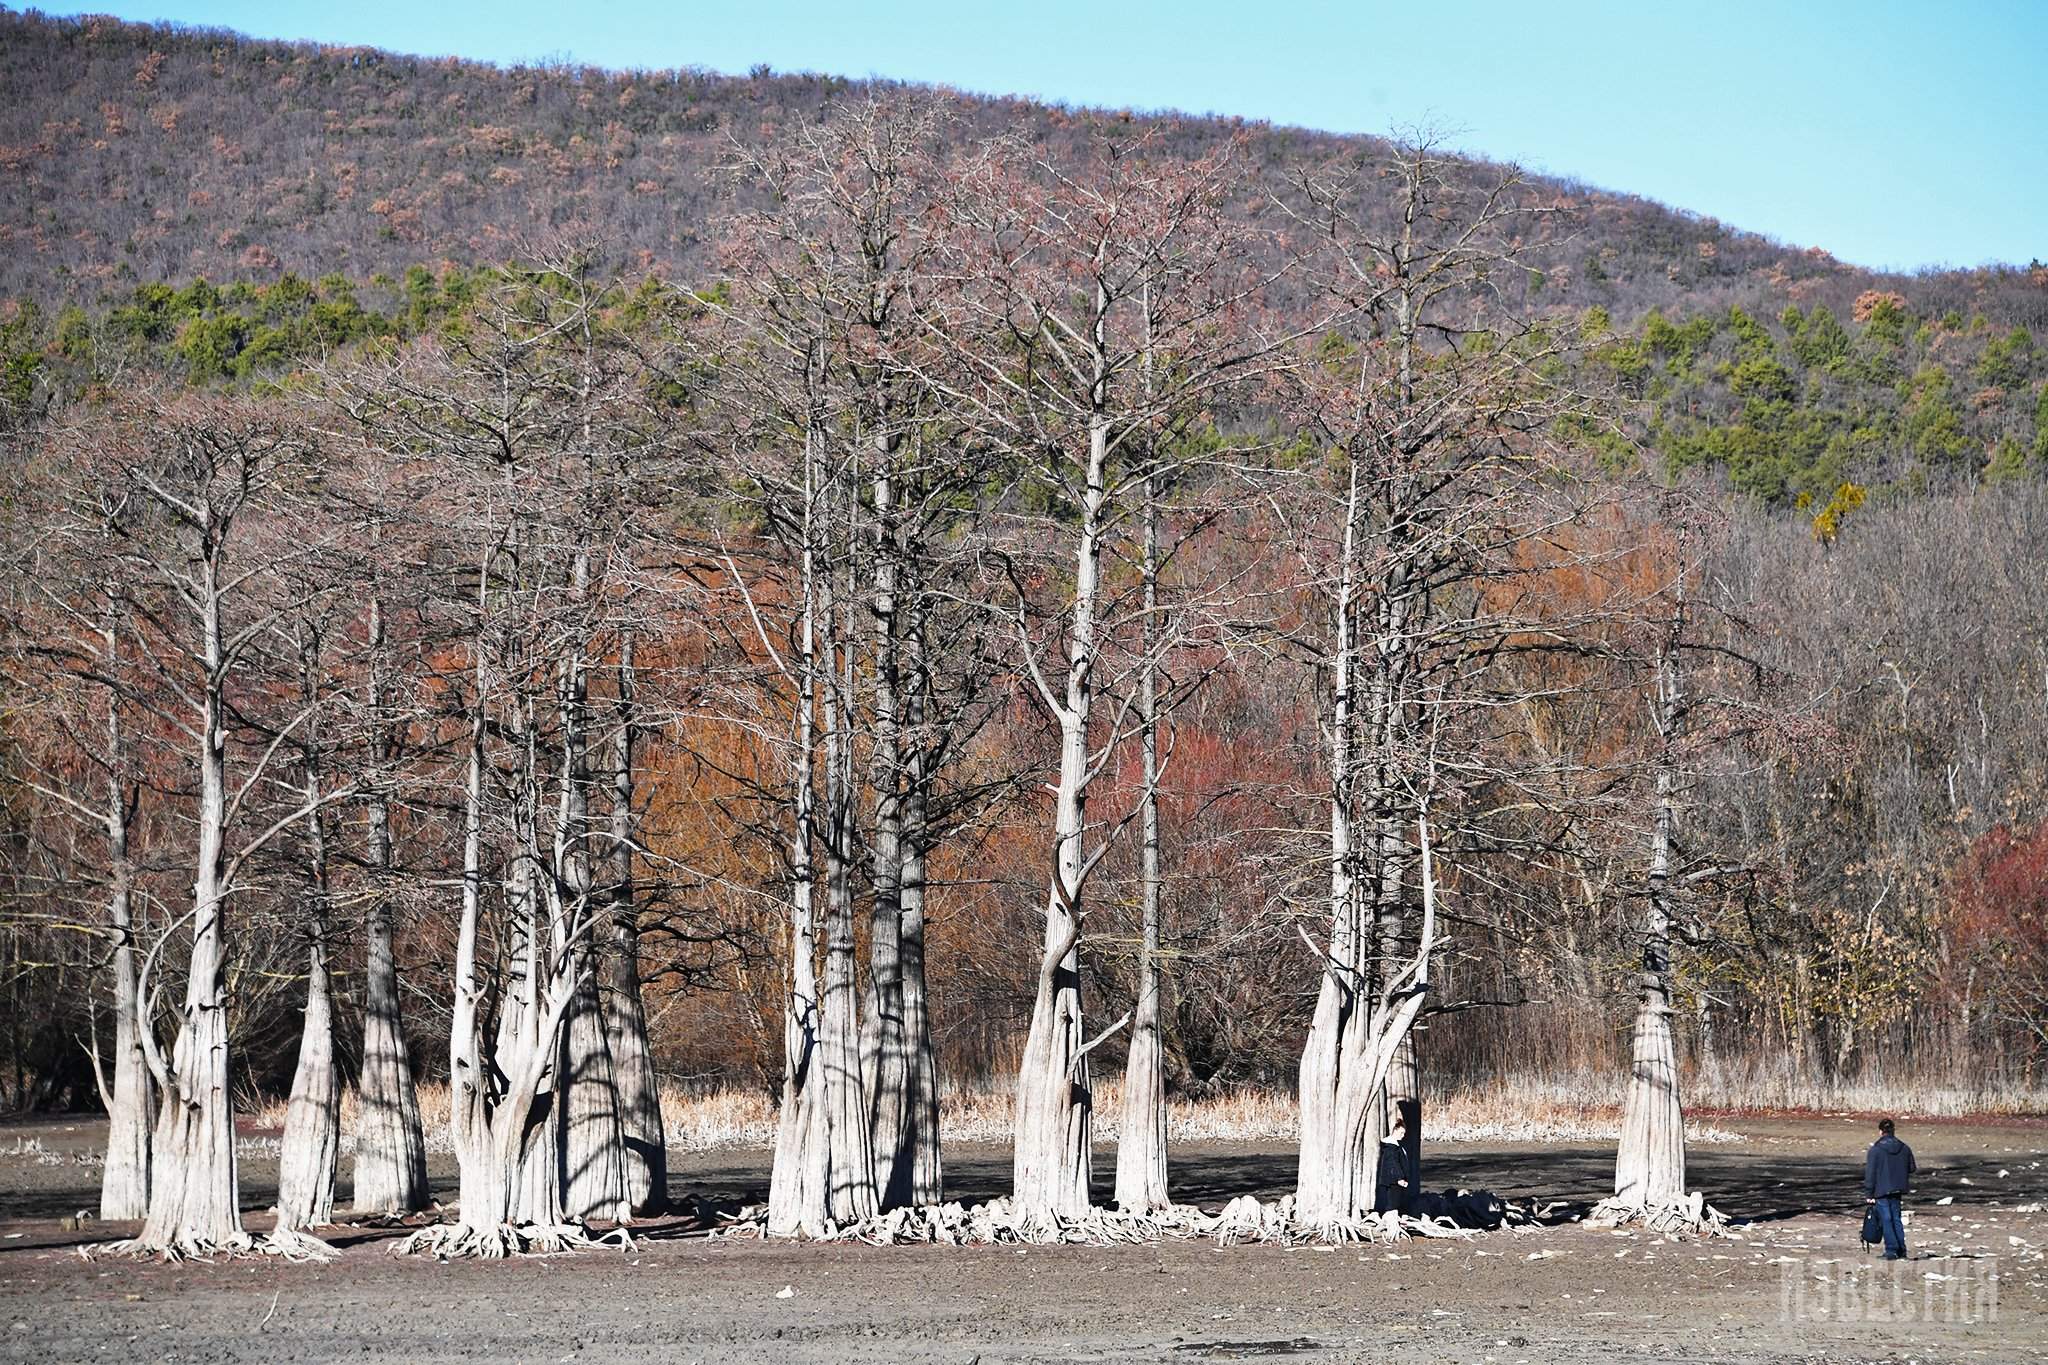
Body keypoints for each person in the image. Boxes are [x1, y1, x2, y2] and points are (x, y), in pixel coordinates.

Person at [1862, 1117, 1917, 1260]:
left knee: (1886, 1220)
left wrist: (1869, 1192)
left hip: (1882, 1189)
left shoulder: (1876, 1150)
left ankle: (1891, 1250)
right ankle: (1901, 1250)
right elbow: (1912, 1168)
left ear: (1881, 1132)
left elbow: (1870, 1174)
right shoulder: (1904, 1147)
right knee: (1896, 1219)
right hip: (1898, 1188)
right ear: (1893, 1131)